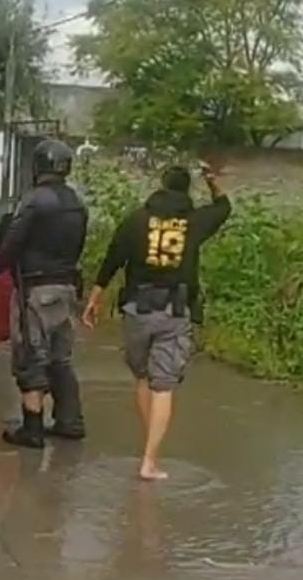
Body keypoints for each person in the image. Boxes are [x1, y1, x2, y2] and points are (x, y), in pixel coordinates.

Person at [82, 163, 231, 481]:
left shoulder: (136, 220)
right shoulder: (194, 222)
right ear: (186, 190)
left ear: (161, 185)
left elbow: (112, 259)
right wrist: (213, 181)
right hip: (175, 311)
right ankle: (150, 460)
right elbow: (224, 207)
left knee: (142, 377)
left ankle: (147, 444)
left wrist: (94, 298)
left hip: (137, 309)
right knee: (163, 385)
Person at [0, 138, 88, 449]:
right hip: (67, 287)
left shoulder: (34, 201)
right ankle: (70, 421)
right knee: (61, 357)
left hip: (35, 288)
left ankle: (32, 429)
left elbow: (13, 242)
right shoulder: (77, 202)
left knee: (31, 355)